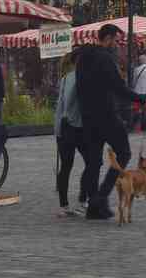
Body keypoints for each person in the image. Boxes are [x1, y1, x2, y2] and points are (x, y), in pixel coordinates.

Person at [76, 23, 146, 220]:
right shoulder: (105, 58)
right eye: (116, 41)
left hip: (88, 116)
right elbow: (118, 86)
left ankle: (93, 206)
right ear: (107, 39)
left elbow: (79, 87)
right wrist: (141, 99)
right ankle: (101, 197)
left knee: (93, 162)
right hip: (106, 114)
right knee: (124, 152)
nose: (117, 45)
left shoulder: (82, 58)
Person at [54, 49, 89, 217]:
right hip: (75, 126)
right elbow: (67, 102)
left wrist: (58, 129)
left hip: (64, 126)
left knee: (66, 166)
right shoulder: (78, 77)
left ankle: (64, 205)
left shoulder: (65, 78)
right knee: (92, 162)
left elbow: (61, 105)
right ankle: (82, 201)